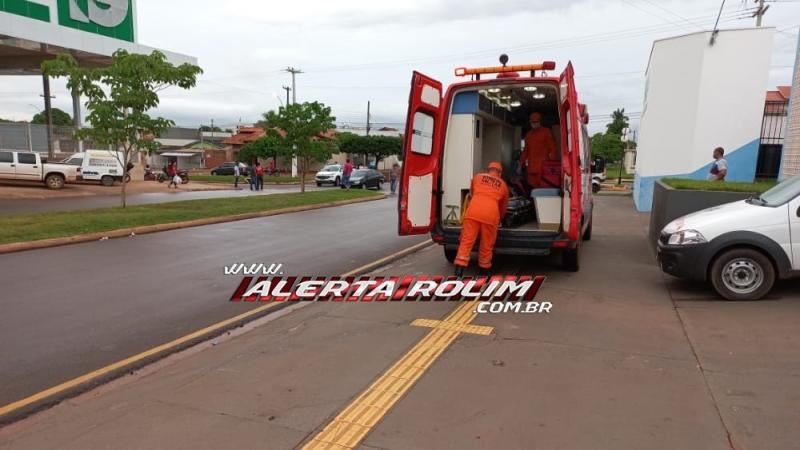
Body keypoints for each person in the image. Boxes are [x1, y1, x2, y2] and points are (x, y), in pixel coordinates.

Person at [454, 161, 510, 277]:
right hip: (490, 215)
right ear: (499, 172)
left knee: (466, 242)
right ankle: (483, 272)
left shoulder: (478, 177)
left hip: (473, 212)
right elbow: (503, 206)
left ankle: (459, 271)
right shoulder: (503, 185)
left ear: (488, 169)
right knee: (487, 244)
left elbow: (472, 193)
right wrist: (500, 218)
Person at [518, 112, 557, 188]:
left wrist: (551, 165)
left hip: (543, 168)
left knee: (543, 189)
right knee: (532, 190)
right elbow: (525, 151)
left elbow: (552, 148)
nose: (535, 124)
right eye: (533, 122)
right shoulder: (528, 135)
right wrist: (520, 164)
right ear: (530, 122)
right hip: (531, 169)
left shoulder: (546, 132)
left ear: (540, 122)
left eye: (536, 122)